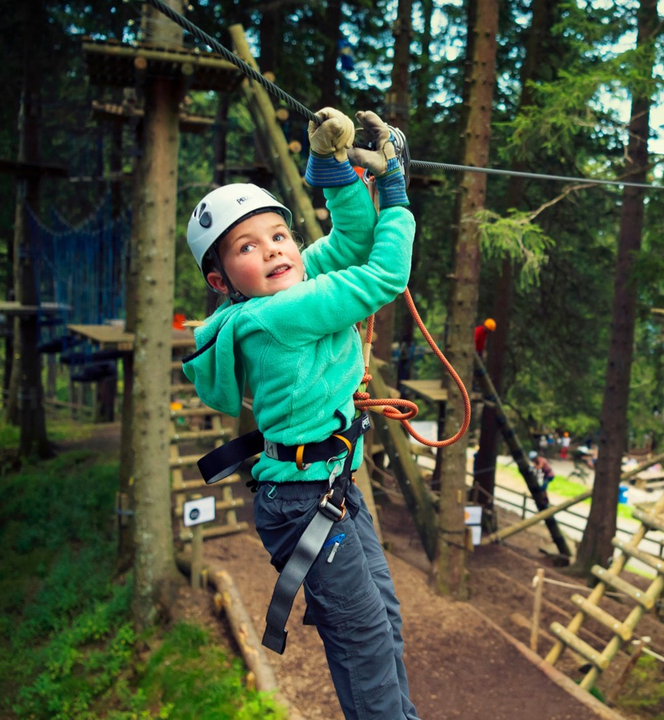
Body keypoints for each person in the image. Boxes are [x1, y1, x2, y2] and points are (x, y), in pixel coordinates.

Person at [182, 108, 421, 720]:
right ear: (220, 278)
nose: (272, 251)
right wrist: (392, 188)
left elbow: (349, 243)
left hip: (327, 489)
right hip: (306, 499)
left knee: (382, 625)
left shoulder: (282, 287)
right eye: (247, 247)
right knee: (365, 641)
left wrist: (330, 168)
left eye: (279, 236)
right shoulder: (277, 313)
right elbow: (385, 270)